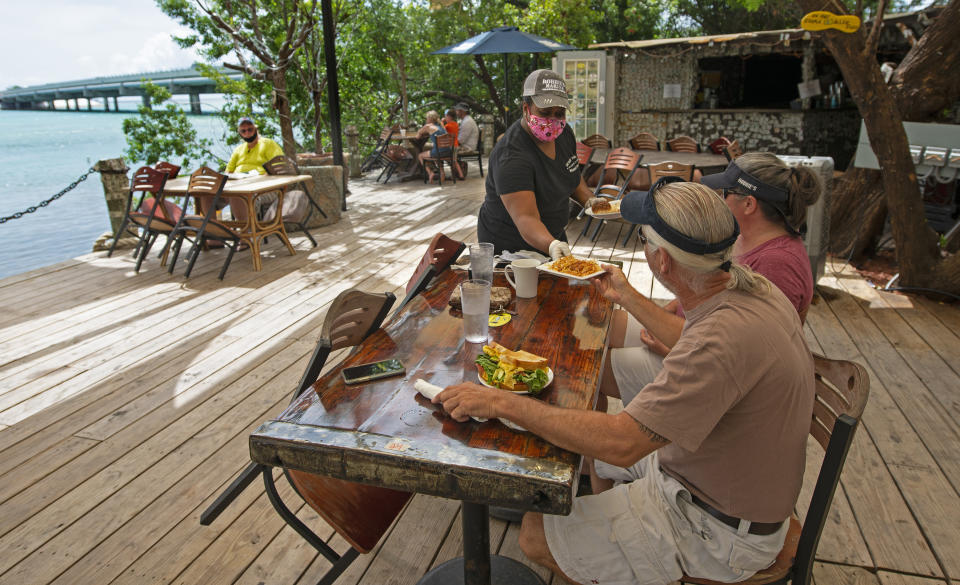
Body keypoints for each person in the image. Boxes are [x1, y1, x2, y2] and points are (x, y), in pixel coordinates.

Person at [434, 180, 815, 585]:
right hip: (728, 476)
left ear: (663, 261)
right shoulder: (752, 290)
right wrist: (627, 296)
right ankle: (611, 522)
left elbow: (621, 444)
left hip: (719, 529)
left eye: (643, 239)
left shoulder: (718, 342)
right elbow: (698, 345)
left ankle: (624, 554)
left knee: (534, 533)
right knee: (599, 384)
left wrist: (497, 403)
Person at [597, 153, 823, 406]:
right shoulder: (742, 238)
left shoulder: (779, 264)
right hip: (687, 333)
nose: (718, 200)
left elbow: (747, 354)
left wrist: (672, 350)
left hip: (703, 366)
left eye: (724, 193)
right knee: (596, 327)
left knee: (593, 368)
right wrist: (669, 310)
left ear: (749, 204)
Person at [478, 69, 602, 258]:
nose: (552, 120)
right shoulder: (511, 156)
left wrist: (589, 200)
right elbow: (526, 218)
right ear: (526, 109)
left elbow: (571, 175)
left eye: (559, 113)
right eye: (544, 112)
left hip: (553, 234)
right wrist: (551, 245)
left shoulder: (564, 133)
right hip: (510, 245)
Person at [222, 117, 284, 224]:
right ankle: (212, 235)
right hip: (239, 185)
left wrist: (263, 177)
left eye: (250, 129)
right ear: (239, 133)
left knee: (239, 196)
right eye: (243, 131)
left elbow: (279, 166)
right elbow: (228, 172)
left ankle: (247, 234)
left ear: (255, 129)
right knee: (207, 196)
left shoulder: (268, 144)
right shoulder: (238, 149)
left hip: (264, 188)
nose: (247, 133)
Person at [419, 109, 464, 183]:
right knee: (452, 160)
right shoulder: (450, 125)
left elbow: (418, 135)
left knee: (421, 155)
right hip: (450, 149)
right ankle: (448, 174)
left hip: (441, 151)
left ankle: (430, 173)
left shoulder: (444, 126)